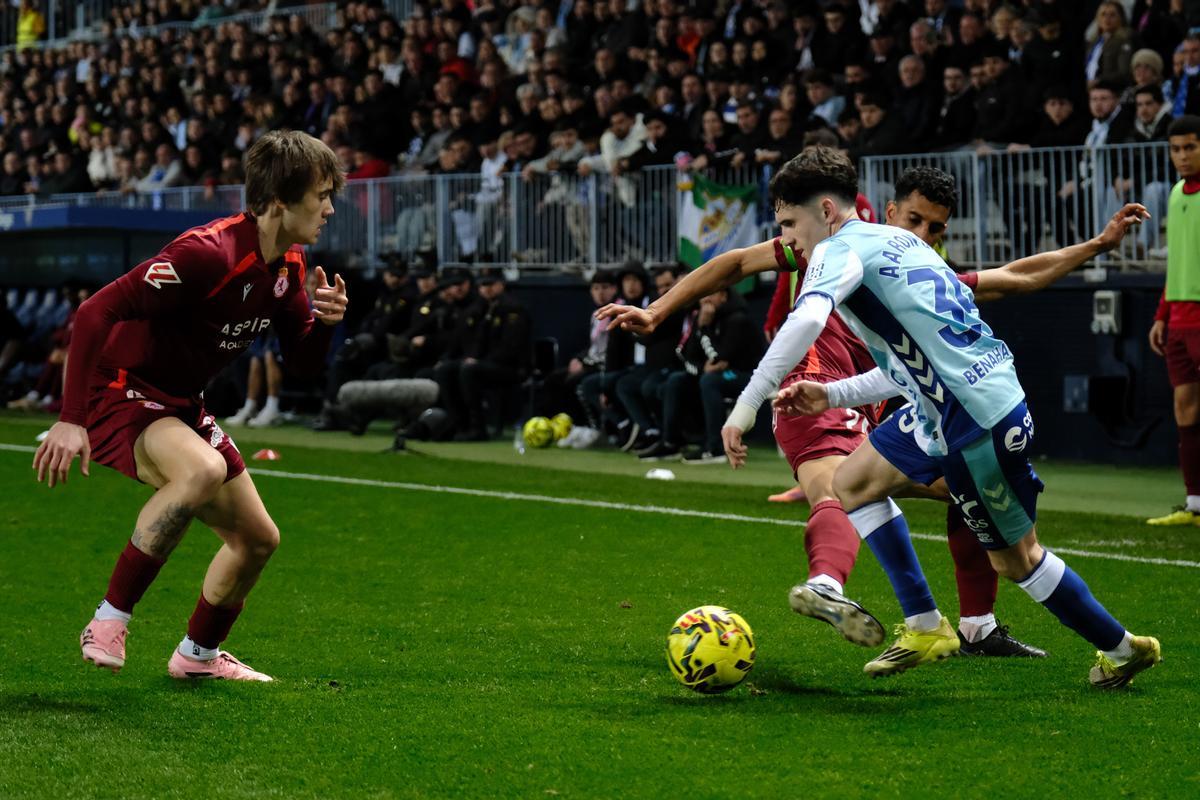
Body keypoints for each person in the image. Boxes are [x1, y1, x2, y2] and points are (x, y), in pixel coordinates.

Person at [598, 156, 1152, 674]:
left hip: (972, 415)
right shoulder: (902, 249)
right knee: (852, 483)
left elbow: (805, 322)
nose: (785, 242)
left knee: (1018, 560)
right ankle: (925, 624)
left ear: (826, 212)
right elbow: (906, 361)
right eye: (918, 219)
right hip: (944, 404)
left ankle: (1122, 648)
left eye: (790, 225)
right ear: (888, 213)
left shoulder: (842, 251)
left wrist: (742, 410)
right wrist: (834, 395)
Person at [32, 131, 349, 682]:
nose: (329, 208)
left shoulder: (289, 266)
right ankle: (108, 619)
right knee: (203, 469)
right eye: (321, 194)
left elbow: (301, 364)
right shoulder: (206, 254)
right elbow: (93, 313)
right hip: (122, 391)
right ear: (279, 198)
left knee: (257, 540)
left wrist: (323, 325)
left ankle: (197, 656)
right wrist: (70, 419)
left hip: (179, 403)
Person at [1148, 115, 1200, 526]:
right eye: (1176, 149)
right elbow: (1178, 261)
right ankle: (1195, 505)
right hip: (1180, 320)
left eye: (1190, 147)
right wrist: (1162, 315)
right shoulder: (1178, 192)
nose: (1182, 156)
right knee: (1185, 409)